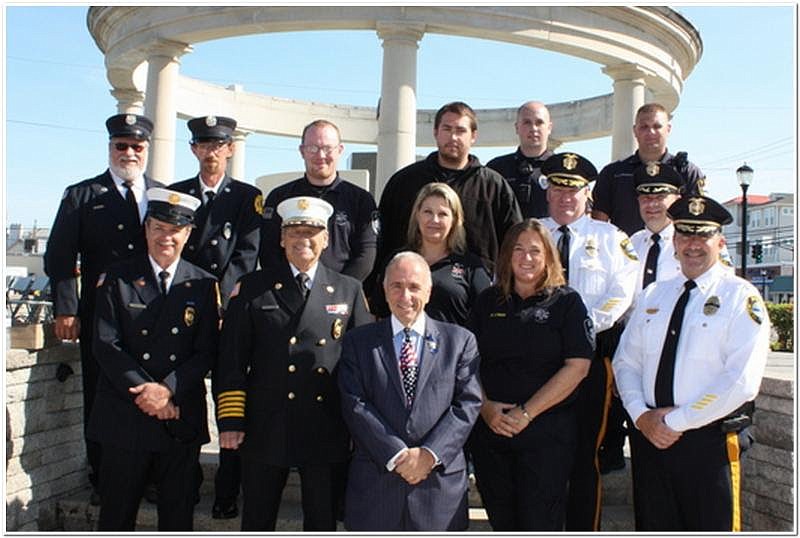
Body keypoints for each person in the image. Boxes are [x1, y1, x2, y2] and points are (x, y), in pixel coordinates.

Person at [214, 196, 372, 531]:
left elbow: (363, 364)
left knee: (322, 521)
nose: (304, 239)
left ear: (326, 239)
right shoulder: (254, 288)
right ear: (281, 239)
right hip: (266, 423)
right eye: (295, 231)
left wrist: (360, 424)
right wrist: (231, 419)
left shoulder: (349, 290)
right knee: (257, 519)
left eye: (312, 231)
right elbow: (231, 358)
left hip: (325, 425)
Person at [613, 194, 769, 531]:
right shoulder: (655, 294)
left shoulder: (740, 297)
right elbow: (626, 362)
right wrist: (641, 416)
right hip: (650, 440)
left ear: (720, 241)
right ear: (674, 241)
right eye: (685, 234)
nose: (693, 244)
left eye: (703, 235)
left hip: (707, 442)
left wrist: (678, 421)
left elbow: (741, 380)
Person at [44, 113, 163, 503]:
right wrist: (66, 308)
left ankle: (150, 474)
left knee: (151, 387)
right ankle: (102, 476)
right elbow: (60, 257)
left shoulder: (163, 194)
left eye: (137, 146)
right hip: (103, 313)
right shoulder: (82, 195)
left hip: (153, 311)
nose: (129, 152)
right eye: (121, 146)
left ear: (147, 150)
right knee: (101, 394)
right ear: (110, 147)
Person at [89, 188, 220, 530]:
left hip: (179, 419)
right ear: (146, 228)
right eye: (159, 227)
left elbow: (206, 352)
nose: (166, 237)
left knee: (177, 519)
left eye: (175, 230)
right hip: (125, 416)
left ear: (188, 233)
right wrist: (148, 392)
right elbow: (105, 344)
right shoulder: (116, 277)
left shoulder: (203, 284)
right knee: (116, 517)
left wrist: (168, 389)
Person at [338, 251, 482, 531]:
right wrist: (396, 455)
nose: (405, 296)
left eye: (414, 287)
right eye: (397, 286)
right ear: (384, 290)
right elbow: (354, 403)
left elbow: (467, 404)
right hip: (376, 487)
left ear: (429, 291)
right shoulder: (358, 341)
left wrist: (429, 454)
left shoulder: (460, 341)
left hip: (438, 492)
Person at [466, 220, 593, 530]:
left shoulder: (567, 302)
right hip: (492, 432)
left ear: (548, 256)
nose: (526, 258)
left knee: (540, 523)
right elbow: (466, 363)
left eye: (535, 251)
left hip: (546, 436)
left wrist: (526, 413)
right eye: (518, 249)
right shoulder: (487, 301)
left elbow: (578, 366)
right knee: (502, 520)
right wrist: (485, 408)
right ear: (506, 255)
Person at [539, 152, 638, 531]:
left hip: (592, 359)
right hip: (539, 363)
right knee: (541, 455)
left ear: (587, 194)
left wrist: (579, 328)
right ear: (548, 192)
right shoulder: (531, 234)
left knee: (585, 456)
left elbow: (621, 294)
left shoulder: (612, 238)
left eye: (574, 190)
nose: (566, 197)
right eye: (559, 189)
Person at [170, 114, 262, 519]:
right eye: (204, 144)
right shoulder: (175, 196)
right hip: (183, 310)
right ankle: (181, 483)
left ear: (231, 149)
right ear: (193, 149)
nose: (212, 152)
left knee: (230, 397)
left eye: (219, 144)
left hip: (227, 311)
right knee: (184, 396)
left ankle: (228, 490)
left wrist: (222, 301)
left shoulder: (247, 197)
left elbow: (246, 254)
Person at [375, 101, 522, 275]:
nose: (453, 137)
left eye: (460, 131)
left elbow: (514, 241)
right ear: (436, 132)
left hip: (476, 294)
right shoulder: (404, 182)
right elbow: (383, 240)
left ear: (473, 136)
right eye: (447, 129)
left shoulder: (494, 187)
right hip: (408, 290)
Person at [259, 119, 379, 281]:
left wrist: (340, 290)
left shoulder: (361, 200)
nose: (321, 155)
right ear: (302, 151)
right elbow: (269, 251)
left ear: (340, 150)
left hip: (342, 296)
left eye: (328, 148)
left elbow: (366, 255)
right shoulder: (279, 197)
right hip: (288, 292)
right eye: (313, 148)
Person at [369, 182, 491, 326]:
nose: (434, 220)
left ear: (454, 220)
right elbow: (378, 313)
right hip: (401, 347)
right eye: (428, 212)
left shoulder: (471, 266)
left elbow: (485, 319)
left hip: (453, 347)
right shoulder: (397, 261)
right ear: (417, 215)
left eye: (443, 214)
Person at [592, 102, 705, 236]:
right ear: (635, 131)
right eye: (644, 127)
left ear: (668, 129)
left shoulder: (686, 172)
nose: (651, 132)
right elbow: (599, 225)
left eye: (657, 126)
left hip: (673, 254)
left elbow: (697, 219)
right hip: (624, 253)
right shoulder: (613, 173)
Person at [486, 101, 554, 218]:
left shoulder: (560, 168)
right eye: (527, 122)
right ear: (517, 127)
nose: (533, 128)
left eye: (539, 123)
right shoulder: (496, 168)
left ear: (549, 128)